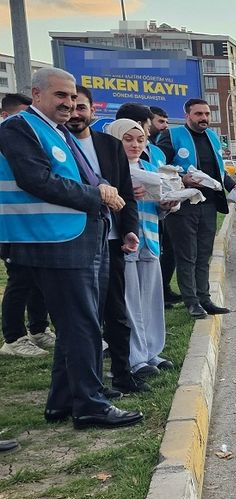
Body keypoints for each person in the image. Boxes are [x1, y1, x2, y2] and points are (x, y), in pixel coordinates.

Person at [0, 67, 143, 429]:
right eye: (60, 96)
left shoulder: (55, 131)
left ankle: (63, 401)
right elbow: (36, 180)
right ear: (36, 95)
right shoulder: (20, 127)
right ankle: (90, 405)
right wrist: (96, 195)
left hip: (75, 234)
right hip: (51, 239)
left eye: (72, 97)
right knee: (82, 325)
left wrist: (101, 193)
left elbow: (75, 178)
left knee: (75, 324)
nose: (68, 104)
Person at [67, 86, 151, 395]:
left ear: (92, 111)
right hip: (74, 240)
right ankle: (91, 384)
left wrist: (130, 229)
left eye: (81, 107)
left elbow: (125, 193)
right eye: (70, 106)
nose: (75, 112)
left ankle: (122, 373)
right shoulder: (57, 143)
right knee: (84, 316)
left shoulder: (108, 145)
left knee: (116, 311)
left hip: (112, 238)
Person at [107, 118, 176, 381]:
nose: (135, 145)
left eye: (140, 140)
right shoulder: (111, 169)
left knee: (151, 299)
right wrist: (125, 193)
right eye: (128, 139)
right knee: (129, 301)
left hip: (150, 240)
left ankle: (152, 351)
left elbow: (158, 205)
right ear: (116, 139)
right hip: (124, 241)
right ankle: (134, 357)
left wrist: (167, 205)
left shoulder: (149, 168)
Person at [157, 98, 236, 319]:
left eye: (207, 114)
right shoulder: (172, 136)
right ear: (187, 116)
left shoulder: (212, 137)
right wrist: (183, 179)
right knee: (187, 255)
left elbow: (218, 171)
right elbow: (159, 169)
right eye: (198, 114)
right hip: (183, 206)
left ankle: (205, 299)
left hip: (209, 204)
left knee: (204, 254)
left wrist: (233, 186)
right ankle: (191, 302)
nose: (204, 118)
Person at [0, 93, 54, 358]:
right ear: (5, 115)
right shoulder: (6, 136)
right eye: (22, 115)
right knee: (19, 280)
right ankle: (13, 338)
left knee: (38, 278)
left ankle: (38, 329)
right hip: (10, 225)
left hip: (32, 222)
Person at [149, 106, 181, 305]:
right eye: (160, 121)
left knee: (170, 249)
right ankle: (156, 294)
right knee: (156, 253)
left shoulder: (156, 149)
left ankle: (164, 289)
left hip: (163, 208)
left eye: (166, 122)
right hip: (146, 212)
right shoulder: (143, 147)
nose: (164, 126)